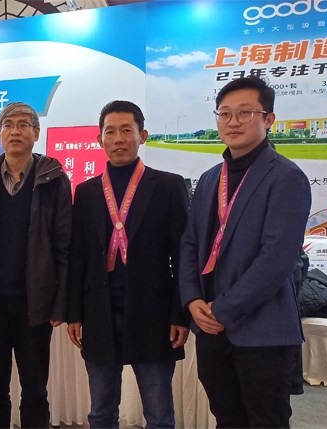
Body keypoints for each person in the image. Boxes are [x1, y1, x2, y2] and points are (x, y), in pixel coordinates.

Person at [178, 76, 311, 428]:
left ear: (269, 119)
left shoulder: (286, 177)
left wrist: (224, 309)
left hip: (262, 329)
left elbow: (276, 259)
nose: (233, 122)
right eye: (224, 114)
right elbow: (190, 243)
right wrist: (192, 300)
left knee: (266, 421)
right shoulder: (210, 178)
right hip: (209, 326)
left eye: (245, 113)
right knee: (226, 418)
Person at [66, 100, 190, 428]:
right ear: (99, 139)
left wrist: (180, 314)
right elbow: (78, 256)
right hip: (99, 312)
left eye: (126, 130)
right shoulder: (87, 192)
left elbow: (183, 256)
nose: (118, 139)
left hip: (154, 313)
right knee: (101, 411)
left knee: (159, 414)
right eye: (110, 132)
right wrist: (74, 313)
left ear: (142, 135)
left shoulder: (168, 186)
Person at [0, 102, 72, 429]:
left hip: (34, 305)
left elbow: (64, 248)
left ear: (36, 132)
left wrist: (60, 304)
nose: (15, 131)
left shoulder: (53, 180)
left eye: (23, 125)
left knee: (35, 391)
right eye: (8, 125)